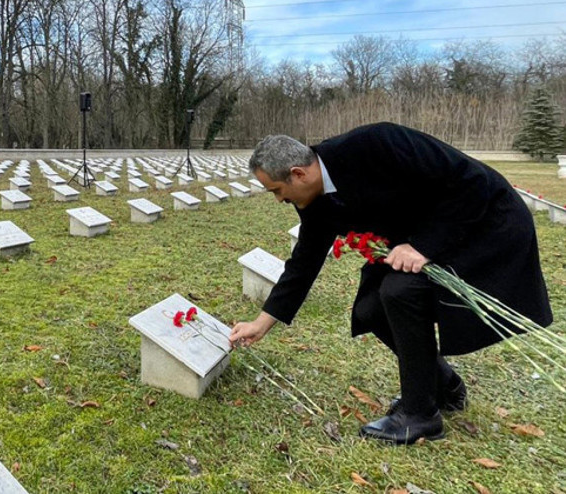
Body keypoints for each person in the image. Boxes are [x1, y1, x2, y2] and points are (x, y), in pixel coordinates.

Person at [229, 122, 552, 444]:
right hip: (422, 240)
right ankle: (444, 386)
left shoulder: (377, 143)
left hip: (482, 224)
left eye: (276, 190)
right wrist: (263, 322)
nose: (278, 199)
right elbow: (305, 259)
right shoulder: (316, 201)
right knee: (371, 308)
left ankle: (420, 416)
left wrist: (423, 246)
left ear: (298, 174)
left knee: (399, 291)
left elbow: (473, 182)